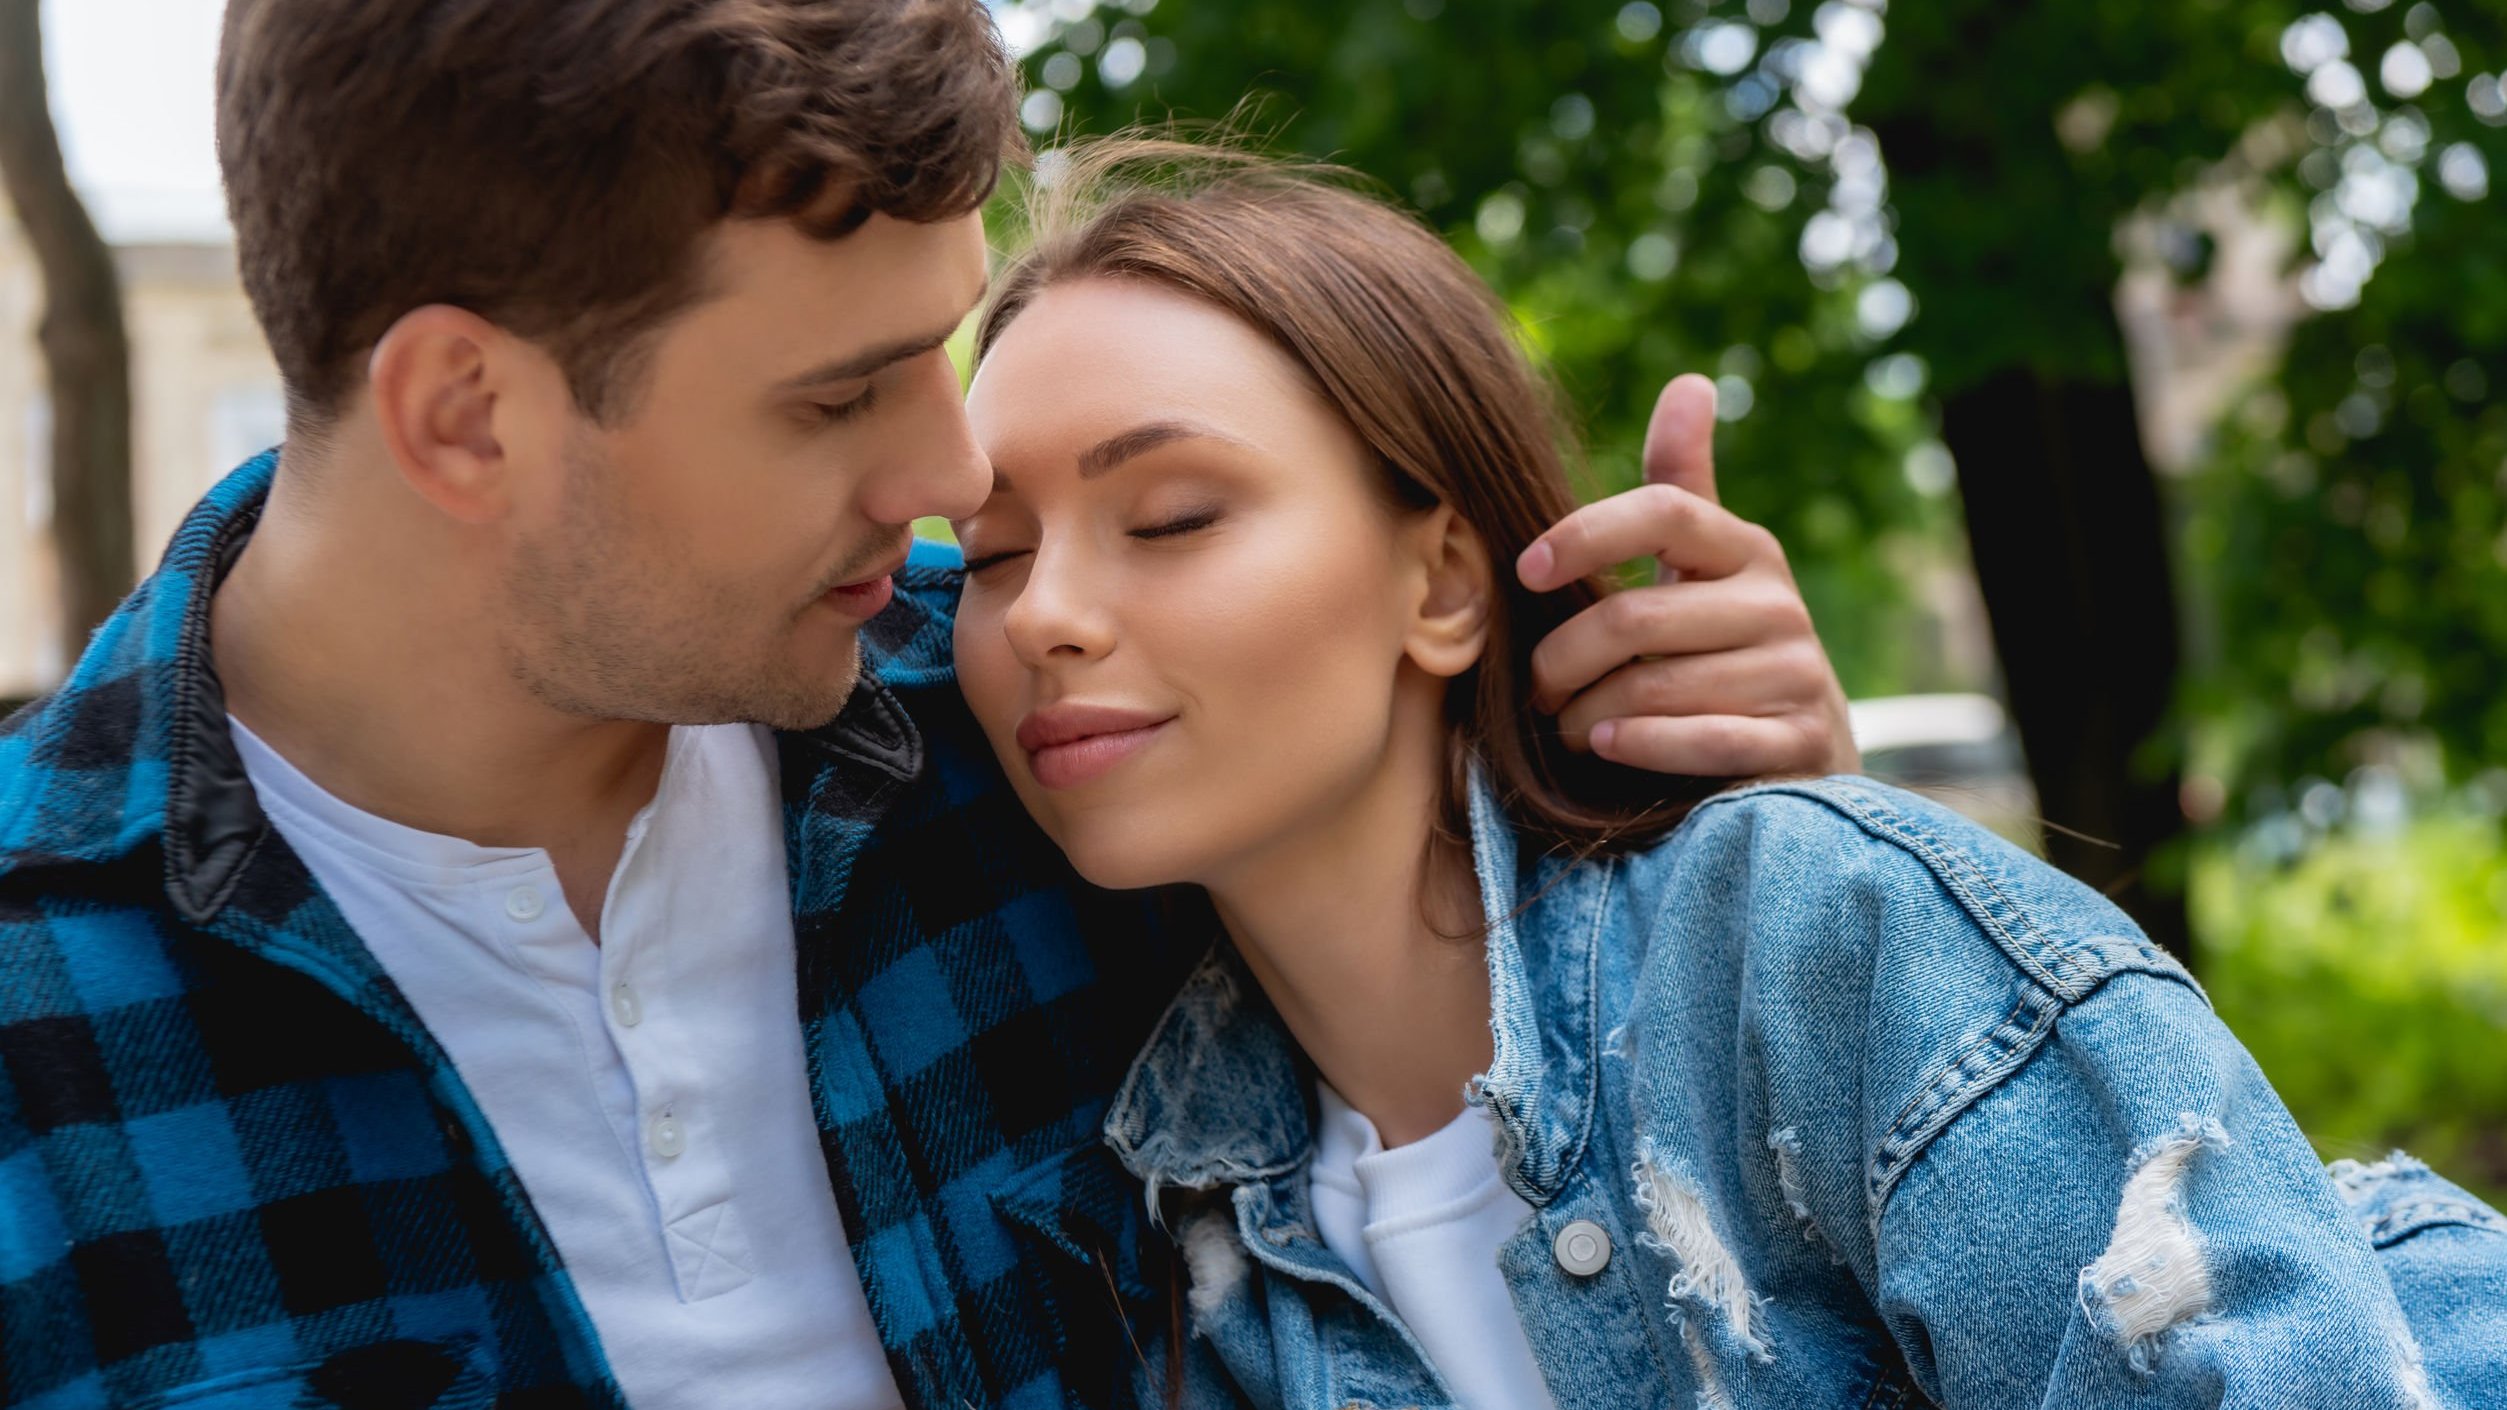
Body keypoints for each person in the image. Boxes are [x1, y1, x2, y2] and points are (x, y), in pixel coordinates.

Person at [0, 4, 1861, 1409]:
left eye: (947, 349)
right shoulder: (40, 1033)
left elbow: (1546, 1094)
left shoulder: (1052, 752)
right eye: (840, 395)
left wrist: (1739, 816)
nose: (954, 470)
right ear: (466, 414)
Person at [946, 138, 2507, 1409]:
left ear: (1443, 583)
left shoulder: (1808, 940)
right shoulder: (1164, 1246)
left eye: (1170, 516)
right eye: (993, 553)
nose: (1047, 617)